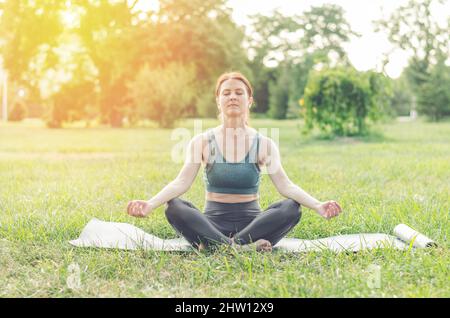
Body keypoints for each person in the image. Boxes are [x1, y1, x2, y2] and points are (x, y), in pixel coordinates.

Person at [127, 71, 342, 252]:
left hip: (254, 226)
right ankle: (240, 247)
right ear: (218, 101)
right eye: (226, 93)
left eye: (239, 93)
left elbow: (286, 185)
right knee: (174, 207)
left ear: (249, 100)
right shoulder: (202, 141)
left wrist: (317, 206)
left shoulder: (264, 144)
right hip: (211, 225)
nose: (232, 97)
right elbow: (180, 183)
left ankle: (219, 247)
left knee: (291, 209)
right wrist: (150, 204)